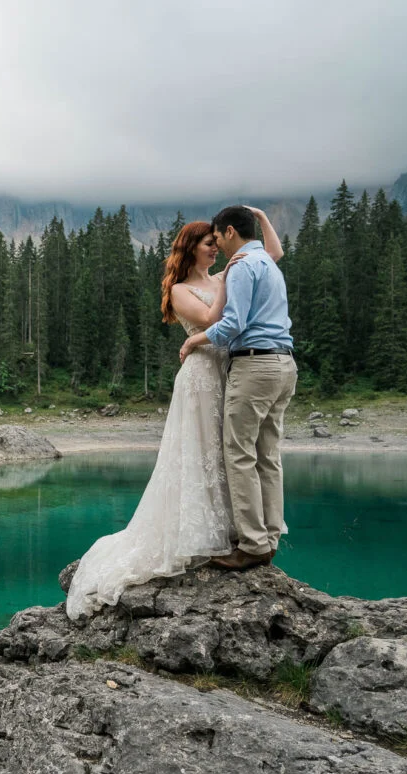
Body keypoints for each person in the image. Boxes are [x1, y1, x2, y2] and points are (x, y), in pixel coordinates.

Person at [65, 208, 284, 620]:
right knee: (205, 450)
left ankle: (238, 532)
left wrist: (260, 218)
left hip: (231, 371)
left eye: (219, 243)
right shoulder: (182, 289)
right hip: (202, 376)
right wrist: (229, 282)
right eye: (210, 245)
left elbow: (271, 253)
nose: (217, 250)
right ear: (193, 249)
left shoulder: (230, 272)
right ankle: (202, 534)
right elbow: (211, 318)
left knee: (231, 453)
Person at [179, 205, 296, 570]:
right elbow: (275, 250)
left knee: (239, 454)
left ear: (230, 232)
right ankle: (270, 536)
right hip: (284, 364)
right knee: (268, 455)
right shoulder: (266, 263)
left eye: (217, 238)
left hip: (255, 365)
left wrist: (193, 341)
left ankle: (252, 544)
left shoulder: (244, 267)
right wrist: (261, 217)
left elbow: (233, 324)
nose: (217, 246)